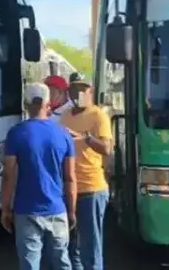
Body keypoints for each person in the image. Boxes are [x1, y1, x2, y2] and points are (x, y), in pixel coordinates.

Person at [1, 82, 77, 270]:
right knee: (61, 261)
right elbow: (70, 178)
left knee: (29, 263)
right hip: (57, 209)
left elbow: (8, 175)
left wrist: (5, 208)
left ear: (26, 105)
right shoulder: (63, 134)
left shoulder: (16, 133)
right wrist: (72, 211)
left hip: (26, 210)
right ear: (48, 104)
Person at [59, 78, 112, 270]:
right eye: (74, 91)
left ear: (90, 93)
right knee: (71, 246)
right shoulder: (65, 115)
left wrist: (86, 138)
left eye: (82, 91)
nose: (77, 95)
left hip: (92, 189)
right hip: (68, 189)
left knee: (91, 247)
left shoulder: (98, 116)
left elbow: (107, 149)